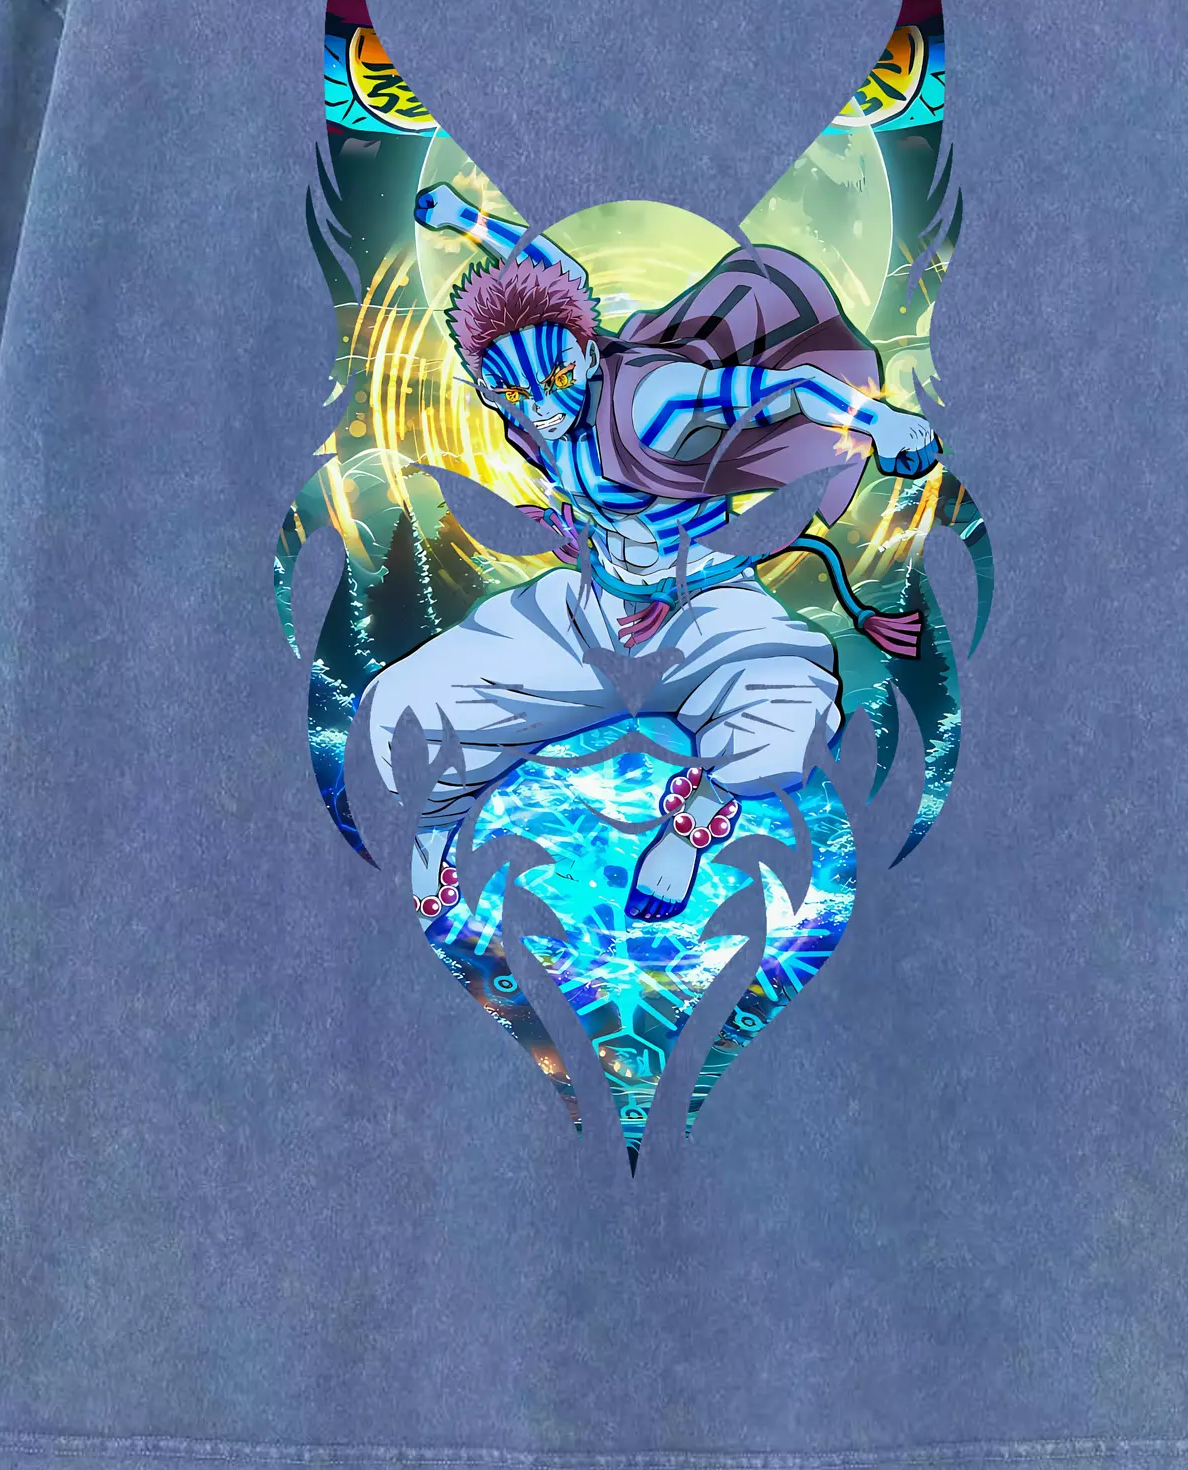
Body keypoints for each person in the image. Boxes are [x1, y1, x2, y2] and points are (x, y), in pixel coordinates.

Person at [364, 180, 942, 923]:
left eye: (556, 379)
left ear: (585, 351)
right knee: (400, 707)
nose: (540, 409)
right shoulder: (526, 398)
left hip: (704, 607)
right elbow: (555, 267)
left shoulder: (654, 399)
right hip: (593, 605)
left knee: (793, 711)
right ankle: (433, 828)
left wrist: (881, 422)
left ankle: (694, 819)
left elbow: (793, 387)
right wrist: (465, 220)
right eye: (511, 395)